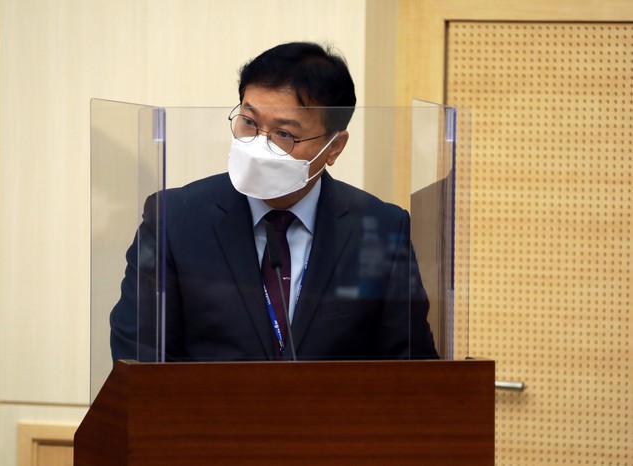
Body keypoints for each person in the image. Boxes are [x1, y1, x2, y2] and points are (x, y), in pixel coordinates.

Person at [109, 41, 438, 363]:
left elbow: (411, 368)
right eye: (249, 122)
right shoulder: (175, 219)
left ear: (334, 147)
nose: (259, 147)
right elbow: (138, 355)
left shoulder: (380, 227)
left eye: (284, 134)